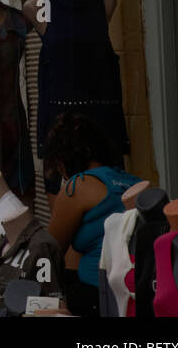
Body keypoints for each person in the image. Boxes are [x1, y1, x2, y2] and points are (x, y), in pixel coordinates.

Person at [43, 112, 140, 317]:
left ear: (63, 159)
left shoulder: (78, 185)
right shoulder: (133, 180)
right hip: (136, 291)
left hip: (99, 296)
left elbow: (48, 250)